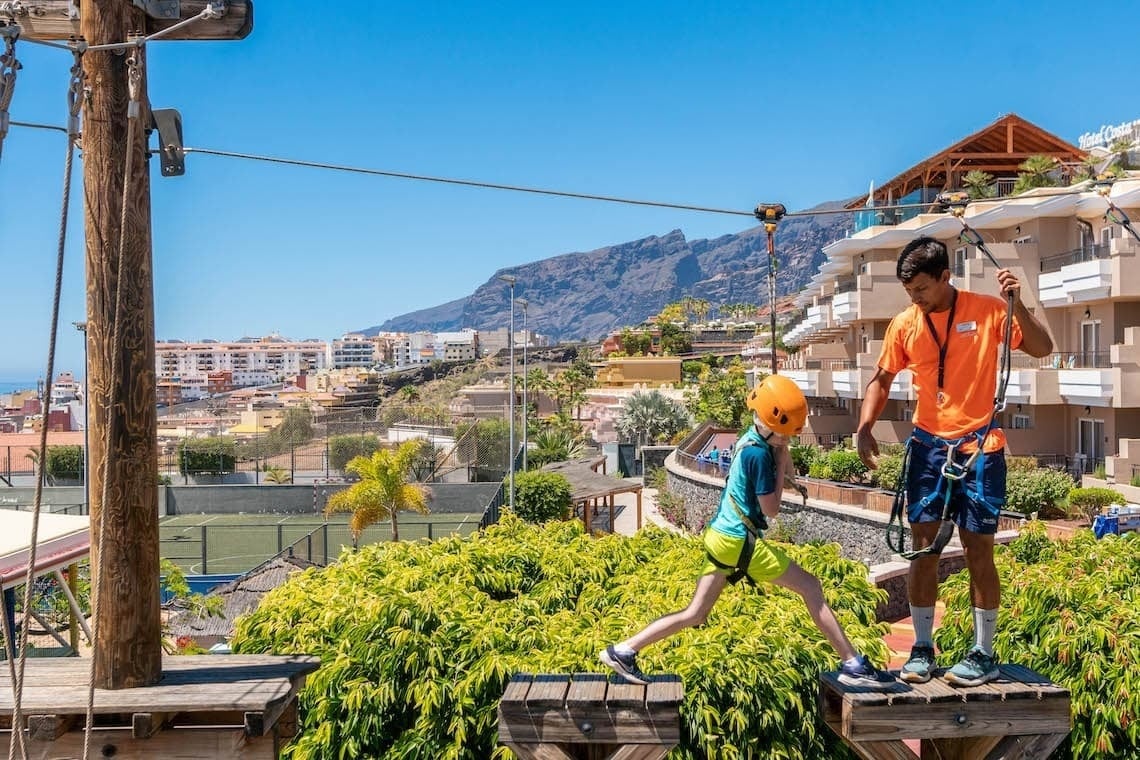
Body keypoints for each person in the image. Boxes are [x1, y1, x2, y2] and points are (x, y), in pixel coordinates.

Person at [600, 375, 895, 690]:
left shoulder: (749, 439)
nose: (788, 441)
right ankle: (852, 662)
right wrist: (781, 464)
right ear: (773, 425)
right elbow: (771, 509)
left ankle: (624, 650)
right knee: (811, 587)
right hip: (740, 540)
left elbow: (780, 461)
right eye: (785, 435)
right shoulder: (759, 456)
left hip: (722, 536)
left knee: (696, 613)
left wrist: (782, 454)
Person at [855, 236, 1053, 687]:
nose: (916, 299)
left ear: (946, 277)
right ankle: (922, 648)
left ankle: (983, 653)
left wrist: (1017, 303)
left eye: (922, 289)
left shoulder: (988, 310)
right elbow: (882, 378)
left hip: (980, 446)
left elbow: (1042, 347)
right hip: (927, 447)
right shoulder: (905, 323)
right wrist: (865, 426)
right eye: (910, 292)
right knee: (923, 548)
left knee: (978, 549)